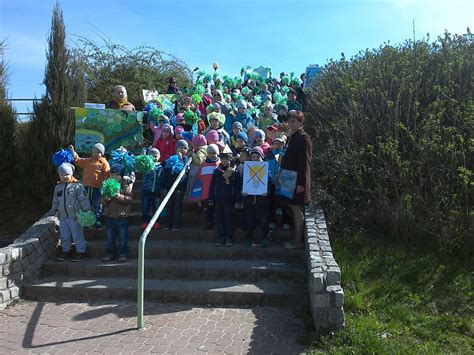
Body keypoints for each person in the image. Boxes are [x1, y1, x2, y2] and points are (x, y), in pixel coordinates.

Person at [280, 111, 312, 249]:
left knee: (297, 211)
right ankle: (295, 240)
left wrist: (301, 183)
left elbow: (305, 163)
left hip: (296, 181)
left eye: (294, 121)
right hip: (289, 180)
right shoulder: (292, 137)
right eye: (290, 121)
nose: (291, 123)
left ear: (300, 122)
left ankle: (297, 242)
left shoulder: (304, 138)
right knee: (293, 210)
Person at [50, 163, 91, 262]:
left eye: (67, 174)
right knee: (64, 235)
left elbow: (83, 199)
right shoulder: (58, 187)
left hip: (75, 216)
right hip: (63, 216)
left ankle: (81, 251)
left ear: (71, 174)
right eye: (62, 175)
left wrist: (86, 209)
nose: (64, 177)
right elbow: (56, 200)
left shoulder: (77, 186)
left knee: (77, 235)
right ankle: (66, 250)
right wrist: (54, 210)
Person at [69, 143, 110, 228]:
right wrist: (73, 152)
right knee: (87, 204)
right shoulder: (88, 161)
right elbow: (78, 160)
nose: (95, 154)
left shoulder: (103, 163)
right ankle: (87, 220)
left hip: (98, 188)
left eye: (98, 152)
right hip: (87, 187)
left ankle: (97, 220)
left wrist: (106, 187)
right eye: (94, 152)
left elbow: (107, 175)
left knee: (98, 204)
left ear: (102, 153)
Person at [101, 164, 133, 262]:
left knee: (123, 238)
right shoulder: (106, 185)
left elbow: (129, 199)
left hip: (122, 217)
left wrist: (119, 196)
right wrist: (106, 199)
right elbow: (102, 201)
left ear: (121, 176)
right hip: (109, 216)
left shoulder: (126, 186)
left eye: (117, 175)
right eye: (112, 175)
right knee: (110, 238)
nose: (114, 177)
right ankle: (110, 253)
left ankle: (123, 254)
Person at [242, 146, 271, 247]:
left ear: (262, 157)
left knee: (263, 220)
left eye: (257, 157)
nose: (255, 159)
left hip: (262, 200)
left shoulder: (266, 171)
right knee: (250, 220)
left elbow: (270, 184)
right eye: (253, 157)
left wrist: (267, 192)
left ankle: (266, 237)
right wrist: (243, 192)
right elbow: (243, 183)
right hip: (249, 200)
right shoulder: (247, 169)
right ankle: (249, 237)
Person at [208, 149, 237, 247]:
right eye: (223, 159)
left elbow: (237, 187)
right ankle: (221, 236)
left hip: (230, 199)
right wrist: (211, 198)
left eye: (226, 159)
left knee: (229, 218)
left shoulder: (234, 171)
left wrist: (237, 199)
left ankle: (229, 237)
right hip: (219, 198)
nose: (224, 161)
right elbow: (212, 186)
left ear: (230, 160)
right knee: (220, 218)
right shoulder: (217, 171)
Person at [163, 140, 189, 231]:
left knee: (178, 206)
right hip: (170, 186)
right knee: (169, 205)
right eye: (181, 148)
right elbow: (167, 172)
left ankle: (175, 224)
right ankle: (167, 223)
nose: (183, 150)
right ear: (176, 149)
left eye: (185, 148)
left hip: (180, 187)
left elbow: (185, 175)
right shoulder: (171, 159)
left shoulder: (187, 160)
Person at [141, 148, 164, 230]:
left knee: (156, 207)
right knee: (145, 207)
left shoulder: (160, 167)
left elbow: (162, 178)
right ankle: (145, 222)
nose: (154, 158)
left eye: (155, 156)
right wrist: (143, 156)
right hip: (146, 190)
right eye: (151, 156)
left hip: (156, 191)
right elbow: (140, 166)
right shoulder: (146, 165)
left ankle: (156, 222)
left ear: (159, 157)